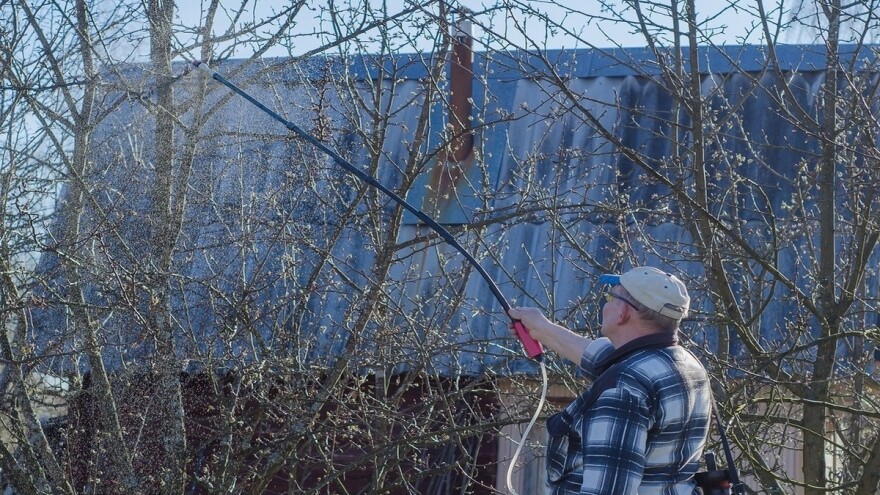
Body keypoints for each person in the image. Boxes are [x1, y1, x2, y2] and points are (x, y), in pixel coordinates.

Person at [508, 266, 712, 495]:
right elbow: (598, 356)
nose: (606, 304)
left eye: (610, 297)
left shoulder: (623, 390)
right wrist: (541, 328)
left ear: (623, 312)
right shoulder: (685, 364)